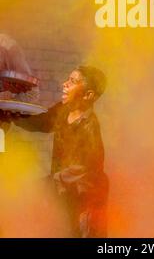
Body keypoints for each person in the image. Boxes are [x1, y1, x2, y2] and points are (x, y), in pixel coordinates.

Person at [12, 65, 109, 238]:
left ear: (88, 95)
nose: (65, 84)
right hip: (63, 201)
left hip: (83, 211)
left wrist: (47, 184)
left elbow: (83, 171)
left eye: (72, 81)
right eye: (67, 79)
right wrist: (12, 115)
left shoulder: (90, 129)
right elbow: (42, 122)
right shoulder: (64, 111)